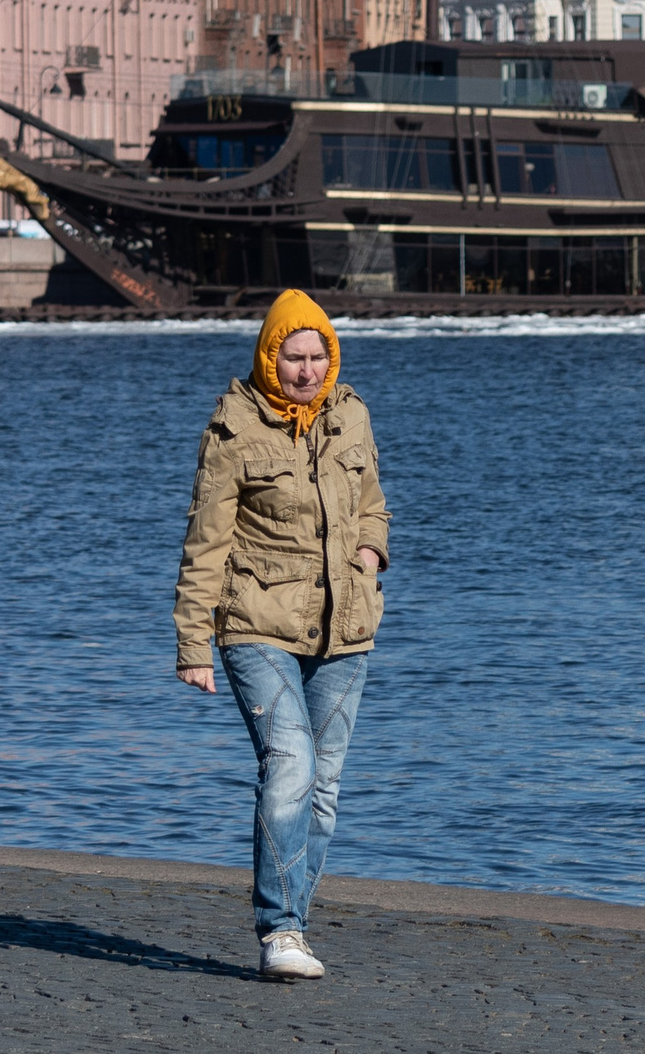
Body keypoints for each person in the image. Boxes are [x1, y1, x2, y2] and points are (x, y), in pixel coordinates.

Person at [175, 289, 389, 981]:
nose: (306, 369)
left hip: (344, 624)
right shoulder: (235, 427)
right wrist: (192, 643)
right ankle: (281, 928)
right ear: (270, 356)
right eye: (292, 356)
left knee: (322, 786)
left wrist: (369, 557)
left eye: (316, 354)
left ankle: (293, 923)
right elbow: (205, 541)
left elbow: (373, 506)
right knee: (290, 761)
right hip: (255, 622)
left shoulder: (351, 414)